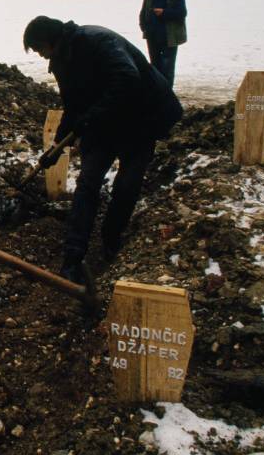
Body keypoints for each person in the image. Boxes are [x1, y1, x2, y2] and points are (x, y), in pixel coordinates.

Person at [23, 16, 182, 287]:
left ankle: (111, 241)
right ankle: (73, 257)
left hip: (141, 119)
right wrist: (58, 145)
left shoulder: (98, 41)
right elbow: (73, 106)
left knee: (127, 186)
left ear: (50, 40)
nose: (40, 55)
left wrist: (91, 117)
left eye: (39, 49)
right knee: (87, 184)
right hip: (104, 124)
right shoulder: (61, 61)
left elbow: (127, 79)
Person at [138, 0, 187, 87]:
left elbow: (181, 13)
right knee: (155, 68)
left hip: (169, 38)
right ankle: (157, 93)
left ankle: (167, 94)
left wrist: (164, 13)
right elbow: (143, 13)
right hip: (152, 37)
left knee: (167, 69)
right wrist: (144, 28)